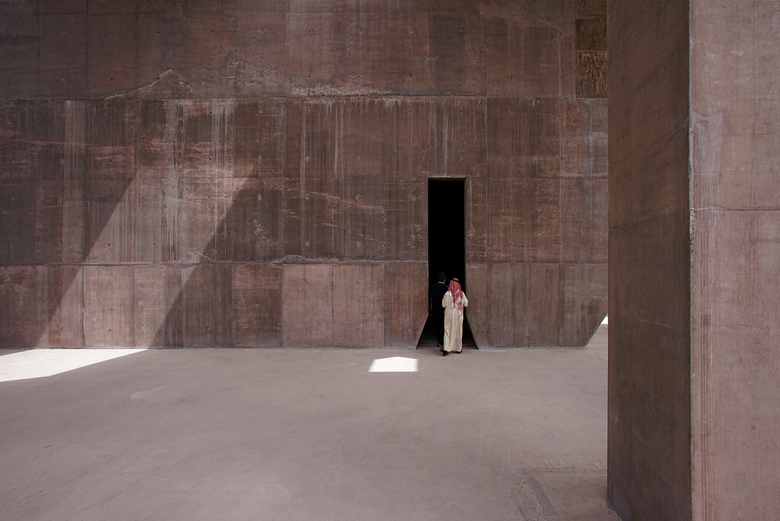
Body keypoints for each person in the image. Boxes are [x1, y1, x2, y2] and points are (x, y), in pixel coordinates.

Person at [441, 277, 468, 356]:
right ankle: (458, 348)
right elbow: (466, 304)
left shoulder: (447, 294)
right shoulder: (461, 294)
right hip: (458, 316)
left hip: (449, 316)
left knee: (447, 331)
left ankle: (446, 349)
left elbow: (443, 305)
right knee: (458, 331)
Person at [429, 272, 448, 349]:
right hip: (443, 310)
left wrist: (430, 310)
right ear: (445, 279)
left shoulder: (433, 287)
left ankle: (439, 341)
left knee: (436, 326)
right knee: (442, 326)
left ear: (437, 278)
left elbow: (431, 300)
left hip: (435, 310)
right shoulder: (446, 288)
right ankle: (442, 342)